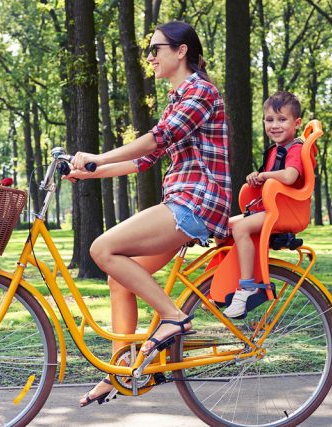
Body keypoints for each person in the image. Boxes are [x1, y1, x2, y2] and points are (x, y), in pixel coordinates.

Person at [66, 21, 231, 406]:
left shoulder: (201, 92)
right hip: (183, 203)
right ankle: (119, 372)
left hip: (196, 202)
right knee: (119, 280)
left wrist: (98, 156)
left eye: (156, 49)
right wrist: (91, 171)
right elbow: (148, 157)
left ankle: (174, 318)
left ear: (181, 51)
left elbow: (159, 139)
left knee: (102, 248)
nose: (151, 57)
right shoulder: (177, 98)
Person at [223, 91, 303, 318]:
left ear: (296, 123)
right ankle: (222, 284)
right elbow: (271, 177)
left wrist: (266, 175)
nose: (275, 125)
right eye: (269, 120)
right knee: (224, 227)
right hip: (268, 208)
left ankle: (247, 287)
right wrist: (257, 176)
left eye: (282, 119)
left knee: (240, 228)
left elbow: (289, 176)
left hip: (282, 212)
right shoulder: (275, 150)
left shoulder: (294, 149)